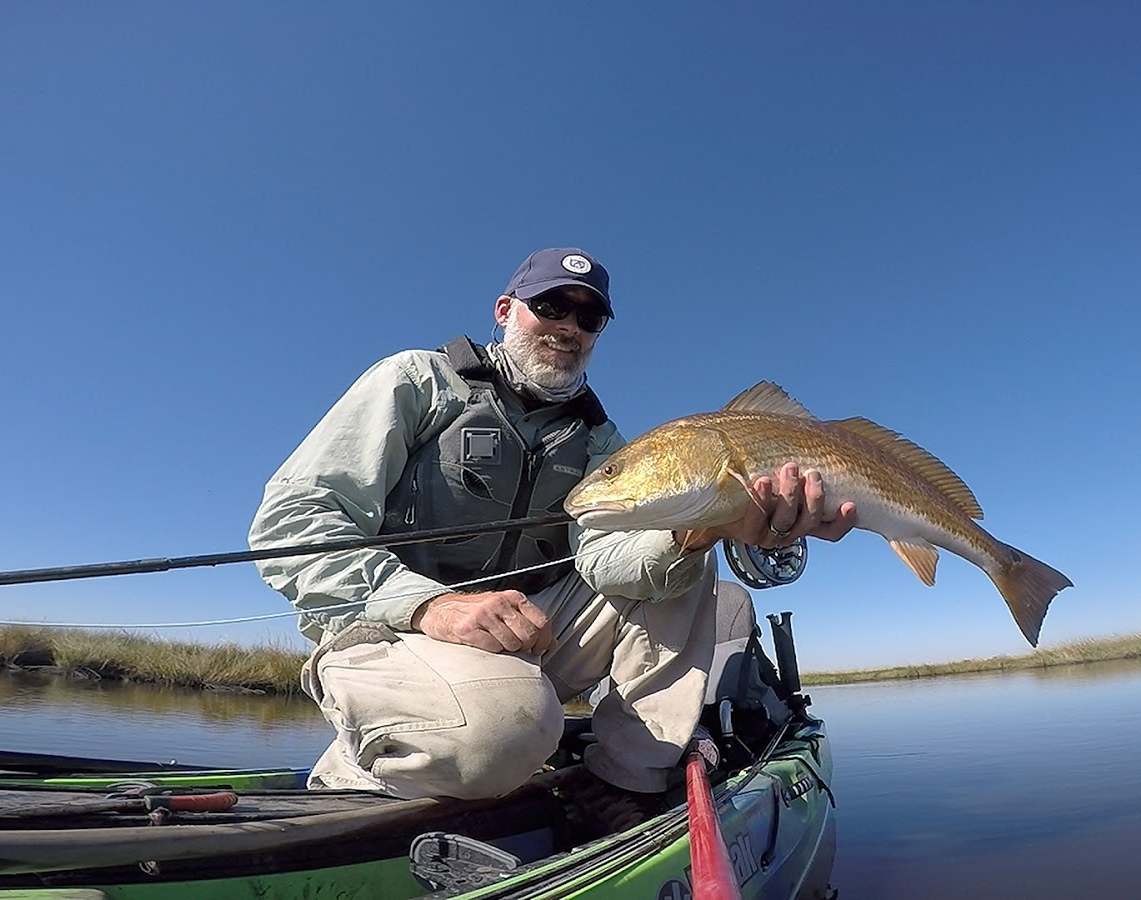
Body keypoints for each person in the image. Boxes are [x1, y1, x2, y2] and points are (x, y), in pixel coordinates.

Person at [248, 247, 856, 818]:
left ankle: (622, 777)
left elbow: (608, 562)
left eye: (589, 316)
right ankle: (355, 775)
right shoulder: (415, 380)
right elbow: (293, 520)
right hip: (388, 631)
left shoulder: (598, 438)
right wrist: (428, 605)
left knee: (693, 567)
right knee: (507, 729)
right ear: (505, 310)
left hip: (530, 634)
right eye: (551, 305)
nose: (570, 325)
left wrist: (693, 536)